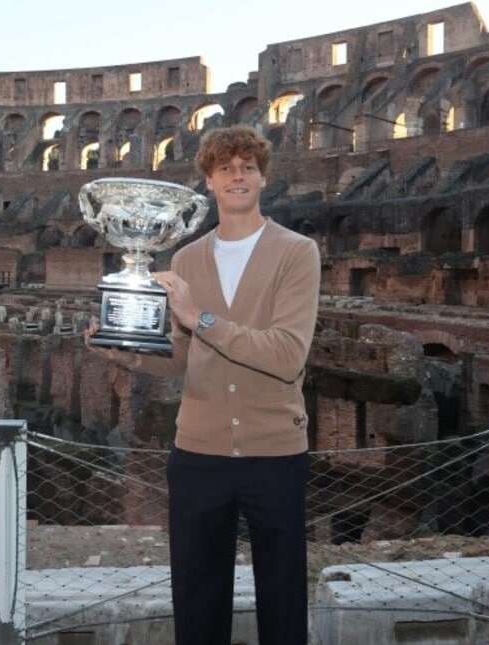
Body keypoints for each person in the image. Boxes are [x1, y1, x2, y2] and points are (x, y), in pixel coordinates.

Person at [86, 125, 321, 644]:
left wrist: (200, 317)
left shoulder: (297, 252)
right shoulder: (186, 259)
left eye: (247, 168)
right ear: (209, 182)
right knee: (196, 604)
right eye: (225, 168)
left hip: (275, 455)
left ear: (262, 179)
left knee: (284, 604)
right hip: (198, 454)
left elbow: (287, 356)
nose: (237, 176)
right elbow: (184, 358)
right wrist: (126, 353)